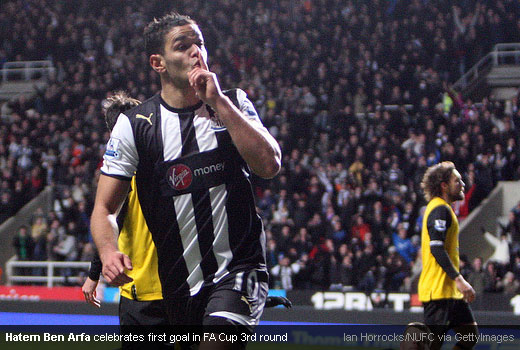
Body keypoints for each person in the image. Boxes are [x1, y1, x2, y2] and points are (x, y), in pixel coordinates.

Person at [91, 12, 281, 350]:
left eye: (200, 44)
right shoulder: (136, 126)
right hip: (178, 286)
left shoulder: (233, 103)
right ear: (158, 63)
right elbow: (104, 207)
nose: (196, 52)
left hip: (237, 271)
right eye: (183, 46)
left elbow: (269, 165)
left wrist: (218, 102)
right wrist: (107, 251)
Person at [418, 161, 478, 350]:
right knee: (432, 346)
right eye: (457, 181)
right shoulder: (439, 209)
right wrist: (459, 279)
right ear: (444, 185)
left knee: (469, 336)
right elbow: (436, 248)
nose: (463, 185)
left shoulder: (444, 209)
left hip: (449, 290)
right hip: (438, 290)